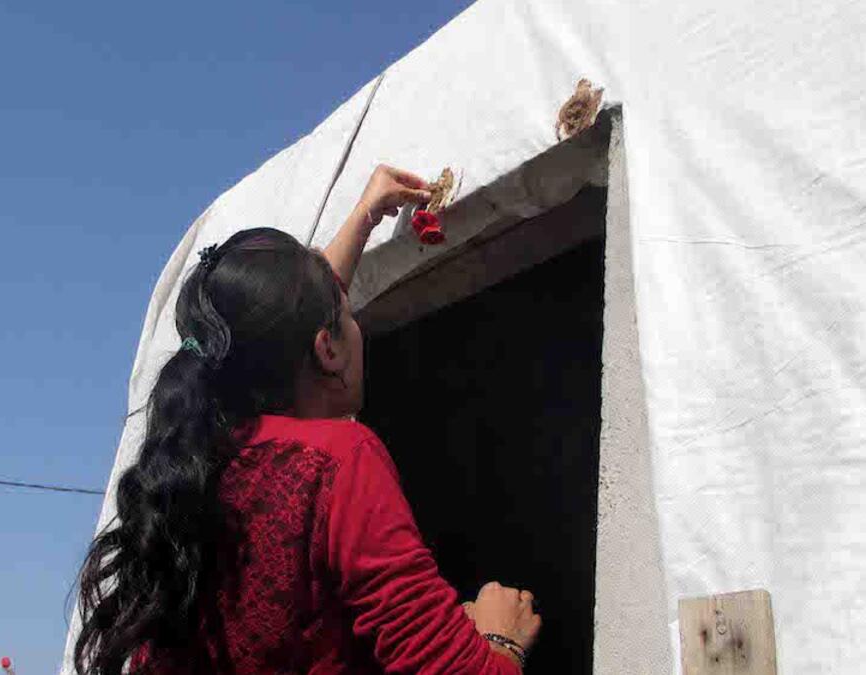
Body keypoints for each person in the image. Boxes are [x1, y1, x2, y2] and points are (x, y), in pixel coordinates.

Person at [74, 165, 542, 674]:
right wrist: (501, 638)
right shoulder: (337, 461)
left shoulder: (190, 472)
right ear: (326, 349)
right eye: (347, 315)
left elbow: (284, 321)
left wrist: (363, 219)